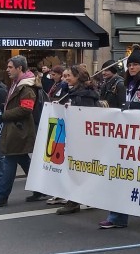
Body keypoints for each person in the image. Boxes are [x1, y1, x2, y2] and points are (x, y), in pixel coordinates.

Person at [99, 45, 140, 228]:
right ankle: (117, 218)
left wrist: (132, 110)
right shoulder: (129, 85)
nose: (132, 68)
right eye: (130, 65)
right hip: (129, 137)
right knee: (122, 176)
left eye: (136, 65)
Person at [0, 56, 47, 208]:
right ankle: (40, 190)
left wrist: (4, 114)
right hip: (16, 129)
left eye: (11, 67)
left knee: (9, 162)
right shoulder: (18, 84)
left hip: (19, 130)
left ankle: (1, 197)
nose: (7, 69)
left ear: (20, 68)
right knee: (23, 161)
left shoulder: (26, 86)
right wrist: (2, 107)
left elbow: (26, 108)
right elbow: (17, 105)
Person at [56, 64, 100, 215]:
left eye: (69, 76)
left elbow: (85, 118)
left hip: (82, 139)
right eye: (65, 75)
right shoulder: (73, 92)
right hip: (76, 137)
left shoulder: (83, 95)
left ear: (78, 77)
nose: (66, 78)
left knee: (78, 170)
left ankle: (74, 201)